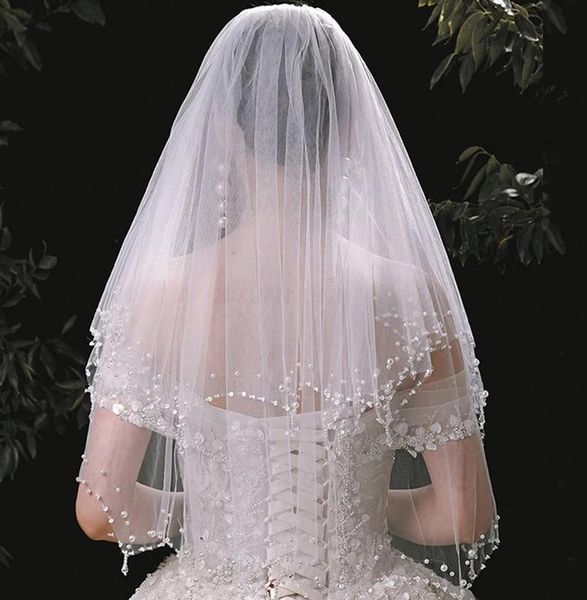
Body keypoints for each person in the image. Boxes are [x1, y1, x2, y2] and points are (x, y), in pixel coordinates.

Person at [74, 3, 499, 599]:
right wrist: (353, 510)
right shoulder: (411, 298)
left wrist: (214, 511)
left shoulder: (158, 297)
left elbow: (100, 509)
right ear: (351, 126)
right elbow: (463, 513)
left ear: (221, 126)